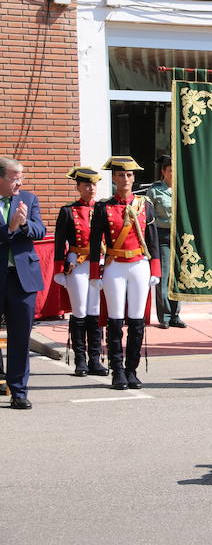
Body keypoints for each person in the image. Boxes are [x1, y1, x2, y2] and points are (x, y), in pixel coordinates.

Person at [90, 156, 160, 390]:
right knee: (115, 320)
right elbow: (94, 242)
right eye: (121, 175)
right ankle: (117, 370)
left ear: (134, 178)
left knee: (137, 321)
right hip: (114, 265)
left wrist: (156, 268)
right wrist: (94, 273)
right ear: (114, 178)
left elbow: (153, 239)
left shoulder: (145, 204)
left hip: (139, 263)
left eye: (129, 175)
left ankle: (132, 369)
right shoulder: (103, 206)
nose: (125, 179)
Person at [0, 157, 46, 409]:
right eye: (14, 177)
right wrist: (9, 227)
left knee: (20, 338)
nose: (19, 182)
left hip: (22, 279)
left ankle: (18, 391)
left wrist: (25, 223)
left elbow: (40, 230)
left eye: (21, 177)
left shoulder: (29, 199)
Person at [53, 167, 108, 377]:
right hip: (77, 264)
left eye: (93, 184)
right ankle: (80, 360)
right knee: (79, 311)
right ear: (78, 187)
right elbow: (60, 242)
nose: (91, 189)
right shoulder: (68, 211)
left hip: (99, 262)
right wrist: (60, 267)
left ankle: (95, 359)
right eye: (86, 185)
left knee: (95, 311)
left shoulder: (103, 208)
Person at [146, 155, 185, 329]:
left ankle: (176, 314)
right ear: (163, 172)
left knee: (179, 277)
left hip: (180, 238)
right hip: (162, 237)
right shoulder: (155, 190)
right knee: (164, 277)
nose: (173, 174)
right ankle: (165, 316)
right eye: (170, 170)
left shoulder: (182, 188)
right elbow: (149, 217)